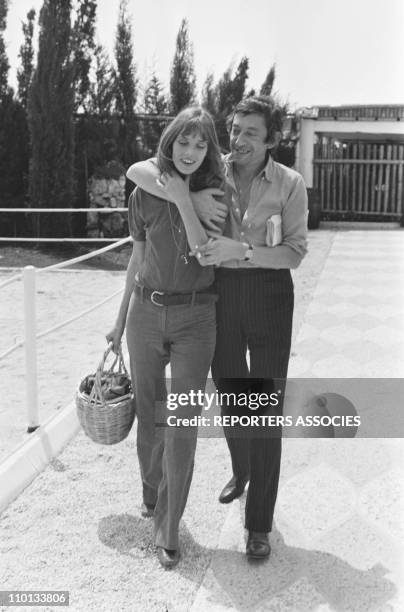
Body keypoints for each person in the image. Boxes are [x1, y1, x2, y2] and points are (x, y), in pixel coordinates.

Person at [127, 95, 308, 561]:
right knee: (231, 398)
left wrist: (240, 252)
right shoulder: (212, 170)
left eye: (251, 132)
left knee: (263, 408)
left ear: (272, 139)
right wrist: (182, 195)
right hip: (220, 299)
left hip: (268, 297)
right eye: (235, 129)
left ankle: (259, 524)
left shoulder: (290, 184)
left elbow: (293, 252)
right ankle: (241, 469)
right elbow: (145, 170)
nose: (239, 140)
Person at [107, 106, 224, 569]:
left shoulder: (217, 195)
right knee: (149, 412)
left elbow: (203, 251)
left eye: (200, 143)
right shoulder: (144, 192)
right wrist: (119, 322)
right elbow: (136, 262)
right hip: (144, 314)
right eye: (183, 142)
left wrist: (184, 199)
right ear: (170, 143)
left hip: (197, 318)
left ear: (209, 148)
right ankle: (150, 491)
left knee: (181, 423)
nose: (191, 152)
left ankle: (168, 528)